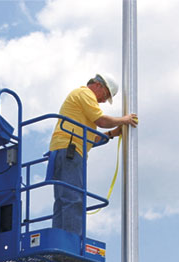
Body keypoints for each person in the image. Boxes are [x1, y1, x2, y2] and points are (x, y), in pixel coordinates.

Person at [49, 73, 138, 234]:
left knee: (63, 199)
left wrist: (111, 134)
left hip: (65, 150)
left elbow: (90, 138)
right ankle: (72, 242)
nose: (104, 101)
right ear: (98, 85)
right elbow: (101, 121)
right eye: (106, 95)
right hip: (70, 150)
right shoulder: (85, 93)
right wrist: (124, 120)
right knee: (73, 198)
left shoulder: (81, 100)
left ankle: (60, 238)